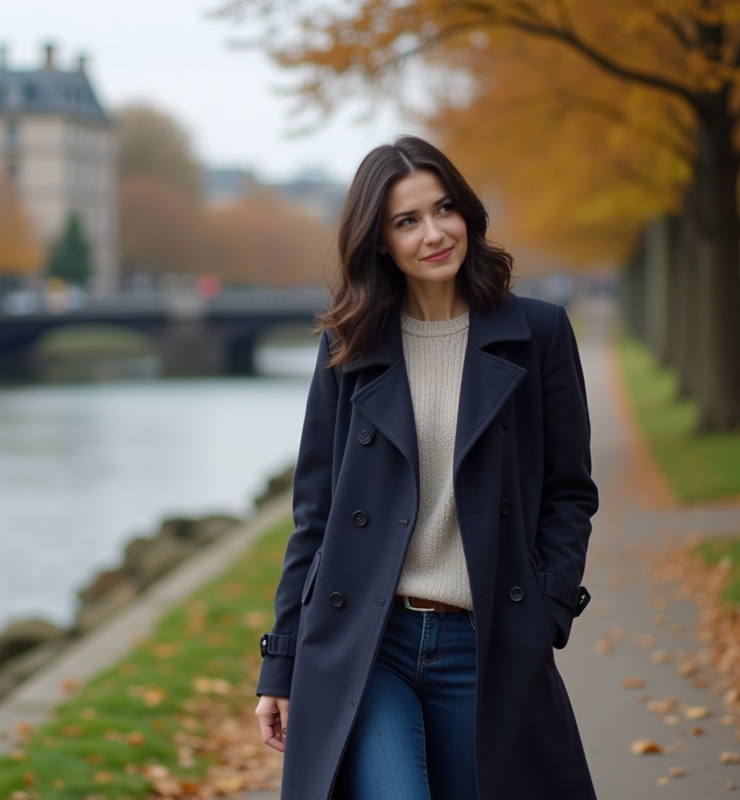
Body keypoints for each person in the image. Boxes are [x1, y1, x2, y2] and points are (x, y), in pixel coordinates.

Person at [254, 135, 598, 800]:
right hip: (368, 642)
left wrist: (547, 609)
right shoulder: (348, 347)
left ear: (467, 213)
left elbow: (569, 492)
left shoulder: (539, 334)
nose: (434, 234)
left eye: (445, 210)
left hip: (486, 641)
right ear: (379, 241)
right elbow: (315, 517)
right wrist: (281, 665)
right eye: (407, 221)